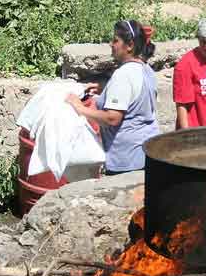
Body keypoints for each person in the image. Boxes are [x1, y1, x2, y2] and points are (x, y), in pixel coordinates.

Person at [66, 20, 159, 174]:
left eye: (116, 40)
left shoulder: (124, 74)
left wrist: (79, 107)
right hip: (147, 151)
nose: (111, 44)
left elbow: (112, 118)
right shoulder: (146, 69)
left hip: (127, 160)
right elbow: (136, 98)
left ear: (129, 45)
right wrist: (106, 92)